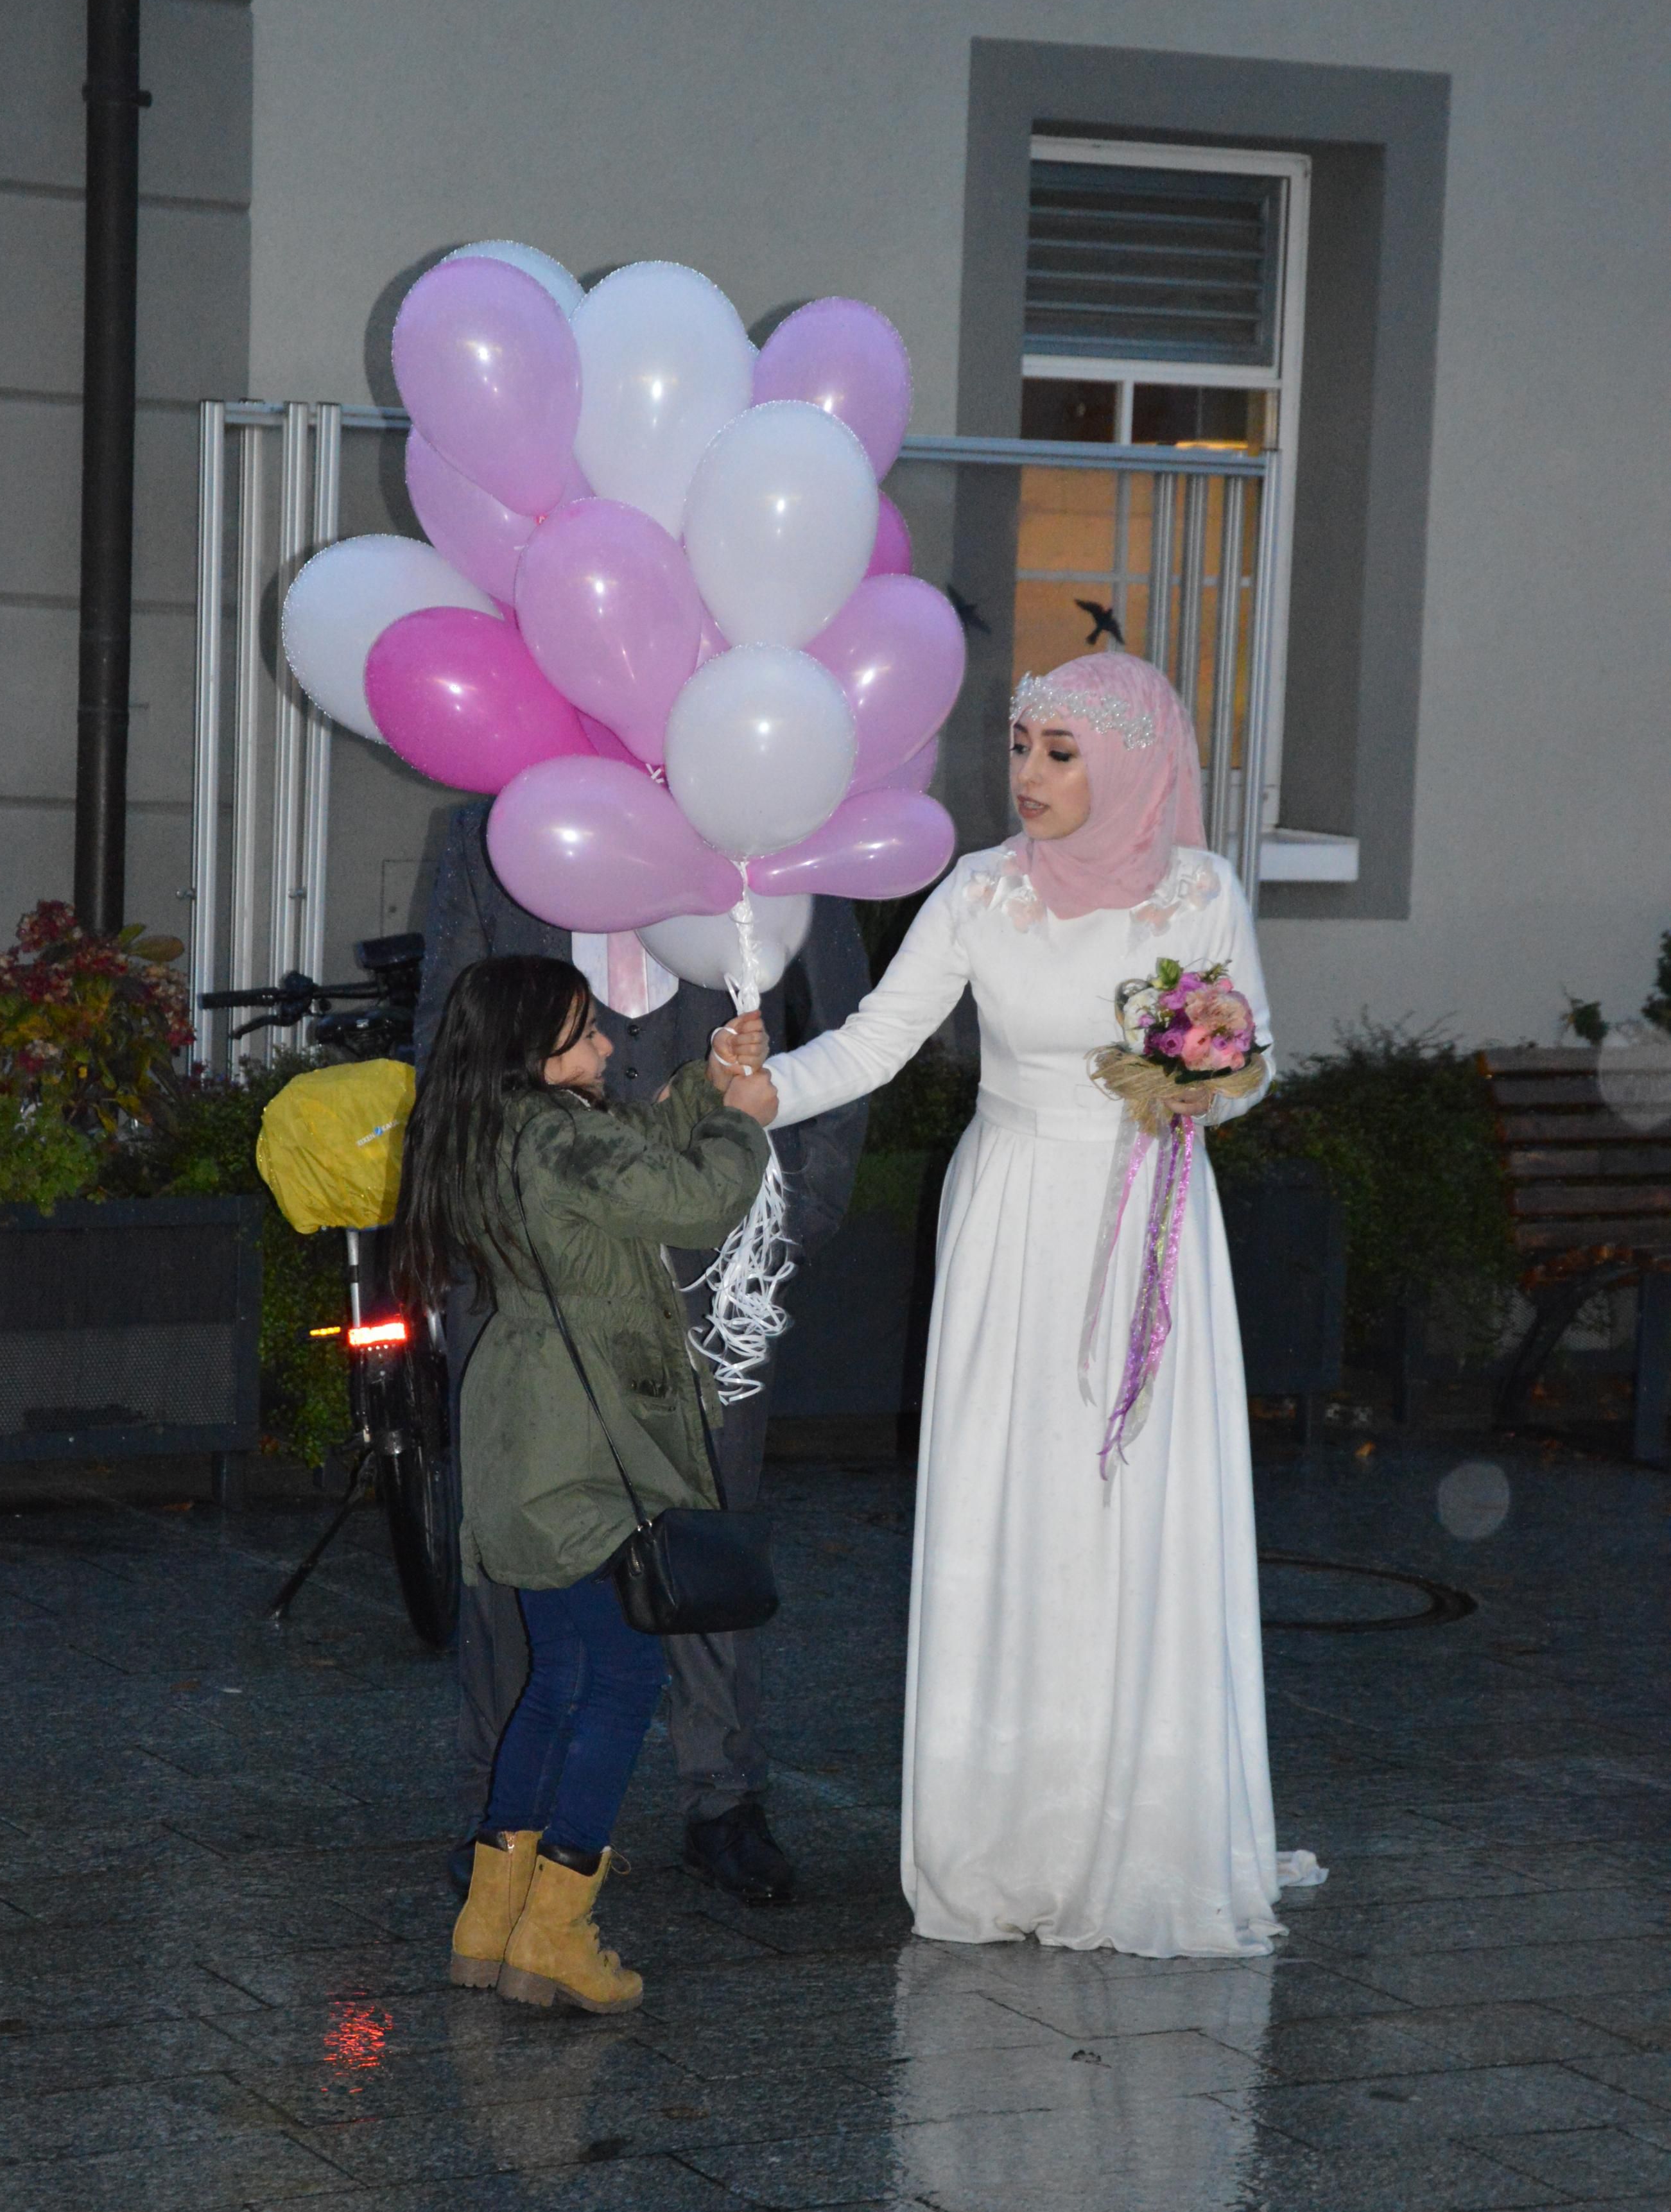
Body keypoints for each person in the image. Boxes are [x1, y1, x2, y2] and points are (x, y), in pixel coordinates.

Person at [738, 650, 1324, 1959]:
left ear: (1129, 760)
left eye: (1061, 752)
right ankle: (1009, 1832)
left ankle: (1147, 1823)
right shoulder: (978, 891)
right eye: (1020, 748)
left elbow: (1254, 1068)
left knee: (1133, 1507)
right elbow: (876, 1040)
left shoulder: (1199, 889)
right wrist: (767, 1090)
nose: (1032, 776)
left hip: (1149, 1214)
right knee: (1015, 1498)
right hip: (1011, 1217)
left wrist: (1201, 1081)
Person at [415, 797, 869, 1906]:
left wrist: (799, 1213)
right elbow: (446, 1037)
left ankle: (723, 1797)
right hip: (532, 1280)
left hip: (718, 1263)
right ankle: (503, 1815)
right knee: (524, 1549)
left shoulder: (767, 797)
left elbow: (843, 1022)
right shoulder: (490, 826)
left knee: (706, 1524)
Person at [394, 954, 770, 2012]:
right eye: (585, 1032)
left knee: (558, 1675)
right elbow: (697, 1202)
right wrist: (744, 1124)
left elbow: (631, 1148)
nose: (606, 1043)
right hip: (586, 1442)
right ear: (533, 1051)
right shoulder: (559, 1140)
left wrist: (703, 1083)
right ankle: (557, 1933)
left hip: (526, 1430)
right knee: (621, 1680)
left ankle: (491, 1921)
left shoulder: (495, 1128)